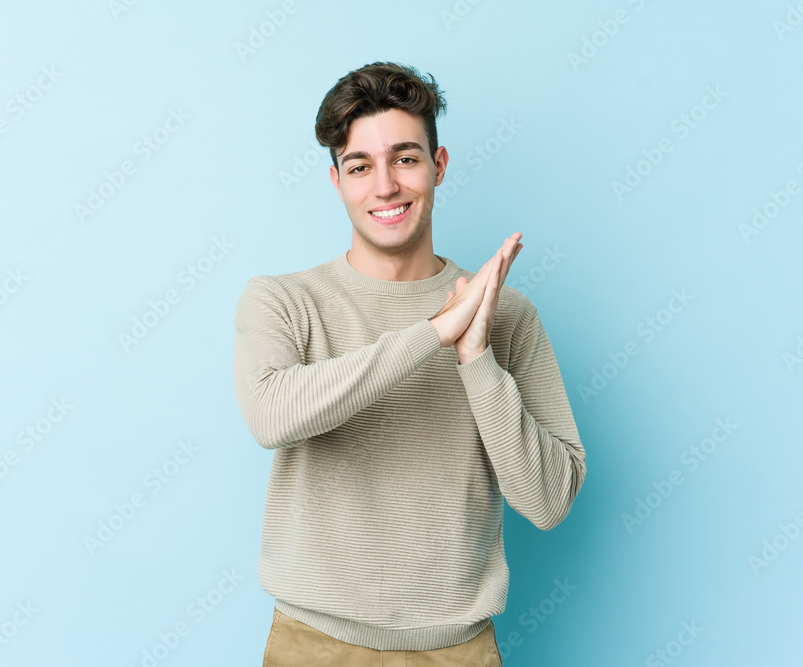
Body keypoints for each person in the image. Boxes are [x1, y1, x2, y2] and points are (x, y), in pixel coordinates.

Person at [233, 61, 586, 666]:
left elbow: (550, 502)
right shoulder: (281, 301)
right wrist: (431, 334)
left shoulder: (504, 314)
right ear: (337, 180)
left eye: (405, 158)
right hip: (313, 647)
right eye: (360, 166)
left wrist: (475, 355)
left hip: (457, 651)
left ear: (438, 165)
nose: (385, 186)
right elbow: (272, 417)